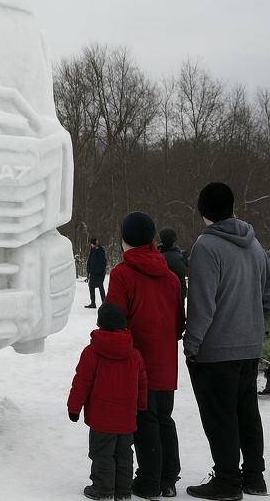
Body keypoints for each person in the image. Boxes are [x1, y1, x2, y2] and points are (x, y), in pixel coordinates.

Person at [184, 182, 270, 501]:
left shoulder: (206, 247)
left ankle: (227, 482)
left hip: (217, 350)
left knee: (221, 417)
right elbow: (265, 297)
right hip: (249, 346)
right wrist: (254, 330)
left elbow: (202, 305)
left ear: (202, 211)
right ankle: (254, 477)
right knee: (247, 413)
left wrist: (191, 346)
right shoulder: (255, 245)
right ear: (232, 208)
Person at [105, 211, 185, 499]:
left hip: (136, 360)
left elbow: (113, 320)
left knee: (145, 418)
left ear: (124, 239)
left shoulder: (122, 274)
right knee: (164, 417)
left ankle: (149, 481)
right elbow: (178, 323)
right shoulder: (171, 277)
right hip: (165, 359)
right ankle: (168, 479)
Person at [69, 302, 149, 500]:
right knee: (124, 454)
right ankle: (123, 491)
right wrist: (141, 406)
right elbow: (142, 383)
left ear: (99, 323)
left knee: (102, 453)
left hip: (101, 418)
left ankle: (103, 489)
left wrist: (74, 408)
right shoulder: (135, 355)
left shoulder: (92, 352)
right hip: (126, 417)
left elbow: (82, 382)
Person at [157, 228, 188, 301]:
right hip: (178, 297)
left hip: (163, 298)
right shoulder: (180, 256)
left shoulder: (158, 258)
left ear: (161, 239)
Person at [86, 237, 108, 308]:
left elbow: (102, 262)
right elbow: (90, 261)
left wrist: (99, 271)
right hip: (93, 272)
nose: (91, 245)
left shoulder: (99, 250)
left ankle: (104, 302)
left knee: (100, 286)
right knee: (91, 286)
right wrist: (88, 271)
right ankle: (93, 302)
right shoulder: (93, 251)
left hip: (98, 273)